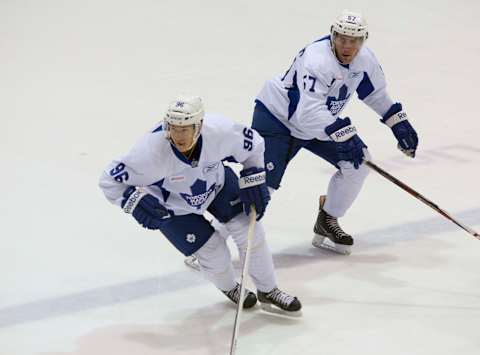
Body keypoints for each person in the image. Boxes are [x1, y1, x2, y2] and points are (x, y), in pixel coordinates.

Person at [99, 94, 301, 312]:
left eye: (185, 128)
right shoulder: (149, 152)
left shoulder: (220, 131)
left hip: (218, 186)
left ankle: (268, 290)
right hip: (172, 208)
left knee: (250, 233)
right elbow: (109, 180)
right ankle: (230, 287)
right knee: (214, 252)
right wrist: (135, 201)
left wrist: (253, 175)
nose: (178, 135)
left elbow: (254, 145)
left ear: (199, 125)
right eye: (174, 127)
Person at [251, 10, 419, 254]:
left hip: (318, 124)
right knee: (262, 186)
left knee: (360, 163)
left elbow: (376, 94)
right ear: (333, 34)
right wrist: (344, 133)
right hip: (278, 120)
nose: (347, 46)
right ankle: (213, 243)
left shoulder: (365, 61)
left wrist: (398, 122)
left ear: (364, 39)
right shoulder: (316, 59)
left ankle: (327, 219)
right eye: (341, 38)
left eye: (354, 40)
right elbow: (306, 114)